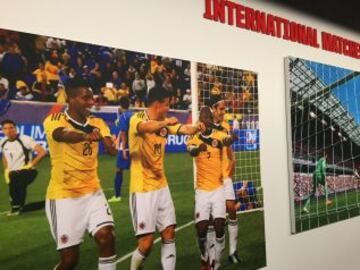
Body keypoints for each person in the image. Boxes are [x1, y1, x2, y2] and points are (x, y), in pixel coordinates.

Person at [43, 77, 118, 270]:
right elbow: (61, 135)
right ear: (71, 98)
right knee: (69, 261)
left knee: (106, 237)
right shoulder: (54, 120)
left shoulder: (98, 122)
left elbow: (111, 148)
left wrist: (111, 145)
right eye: (86, 98)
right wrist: (86, 135)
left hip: (93, 192)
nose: (91, 102)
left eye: (92, 97)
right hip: (64, 196)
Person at [129, 86, 204, 270]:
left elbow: (183, 129)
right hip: (142, 189)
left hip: (161, 185)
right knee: (146, 244)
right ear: (157, 104)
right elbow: (147, 127)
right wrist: (166, 122)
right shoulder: (137, 118)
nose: (168, 109)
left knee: (169, 232)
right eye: (167, 105)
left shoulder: (164, 122)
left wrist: (195, 128)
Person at [187, 106, 237, 270]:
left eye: (209, 118)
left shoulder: (219, 135)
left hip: (218, 188)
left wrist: (231, 139)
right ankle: (204, 256)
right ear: (200, 121)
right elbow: (191, 151)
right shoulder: (193, 138)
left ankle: (216, 262)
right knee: (201, 229)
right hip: (201, 190)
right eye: (204, 118)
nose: (207, 120)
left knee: (219, 225)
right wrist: (198, 149)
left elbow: (226, 140)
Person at [210, 97, 240, 264]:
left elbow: (228, 149)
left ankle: (233, 251)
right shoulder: (206, 127)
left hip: (225, 175)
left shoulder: (226, 126)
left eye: (224, 109)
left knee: (232, 209)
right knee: (215, 220)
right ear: (213, 109)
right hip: (211, 178)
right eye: (221, 109)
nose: (223, 112)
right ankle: (214, 257)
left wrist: (233, 161)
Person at [1, 119, 46, 216]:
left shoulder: (25, 139)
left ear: (15, 128)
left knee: (16, 180)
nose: (8, 131)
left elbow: (42, 152)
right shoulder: (3, 142)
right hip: (13, 173)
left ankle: (16, 207)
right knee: (14, 182)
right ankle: (23, 207)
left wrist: (30, 165)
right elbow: (4, 156)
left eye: (11, 128)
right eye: (5, 128)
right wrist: (6, 170)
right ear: (2, 130)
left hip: (28, 172)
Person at [108, 96, 133, 203]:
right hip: (135, 145)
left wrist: (124, 149)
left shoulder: (123, 117)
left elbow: (123, 133)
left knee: (119, 170)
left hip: (126, 146)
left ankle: (117, 196)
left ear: (120, 105)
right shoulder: (133, 115)